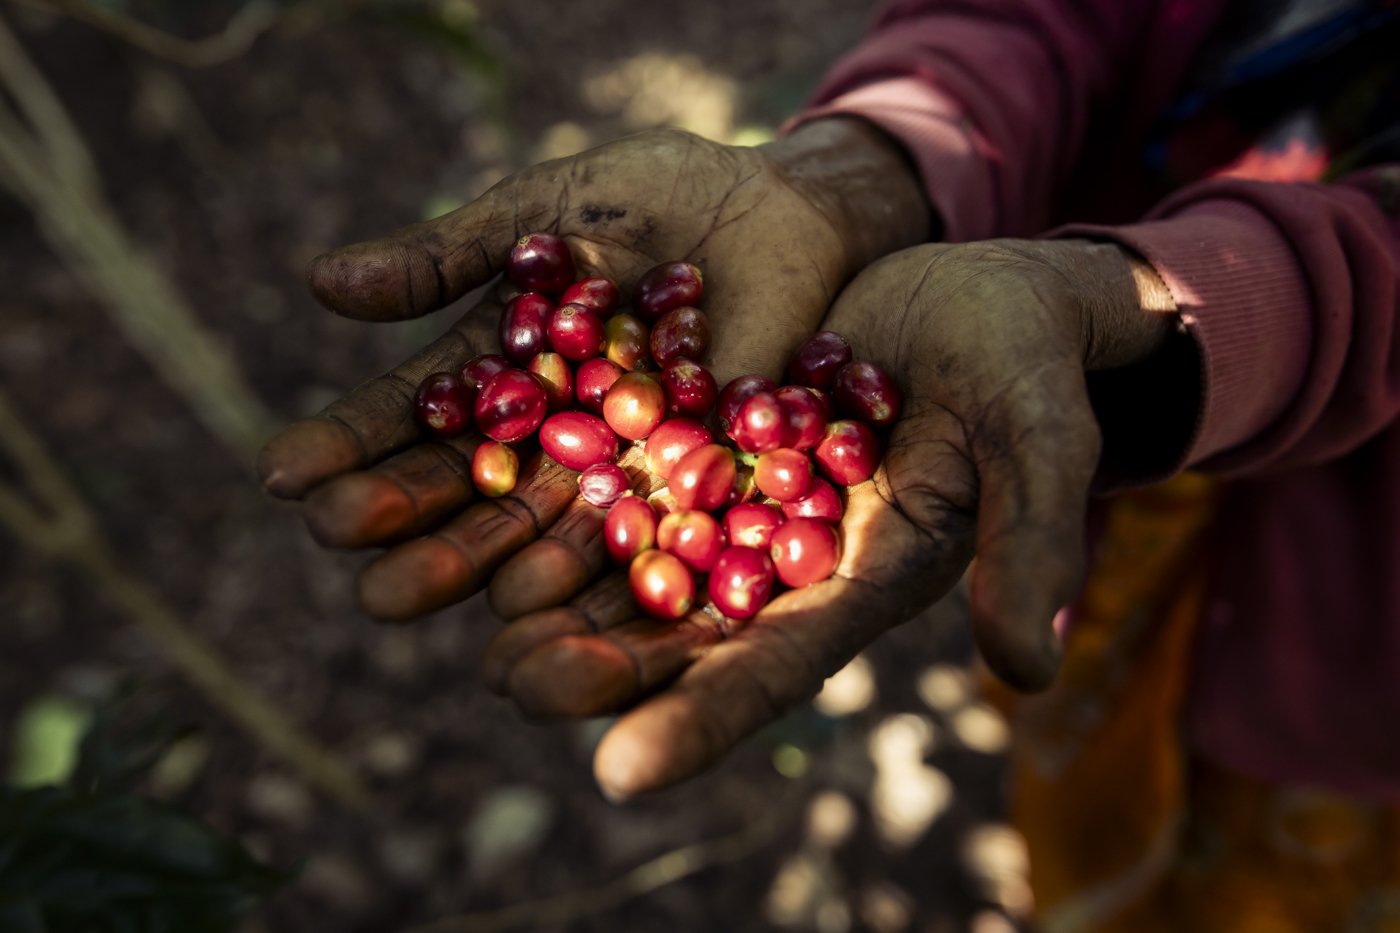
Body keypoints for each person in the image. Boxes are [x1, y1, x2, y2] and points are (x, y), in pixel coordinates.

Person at [257, 0, 1400, 928]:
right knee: (1086, 792)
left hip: (1351, 651)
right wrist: (861, 167)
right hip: (1117, 529)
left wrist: (1165, 308)